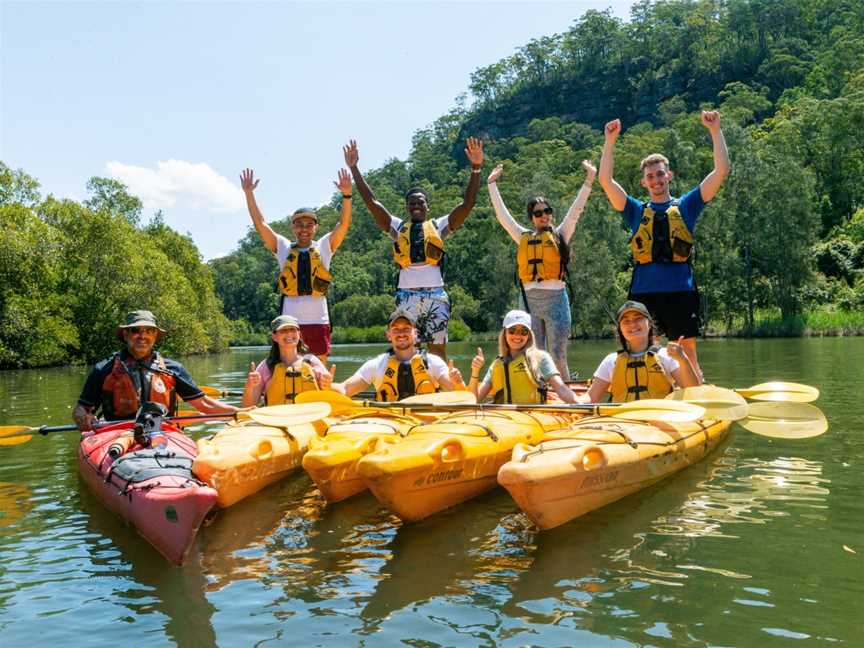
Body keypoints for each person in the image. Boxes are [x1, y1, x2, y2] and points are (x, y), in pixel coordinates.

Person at [598, 111, 730, 379]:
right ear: (643, 182)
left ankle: (695, 393)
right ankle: (653, 393)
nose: (656, 180)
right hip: (644, 293)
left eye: (660, 174)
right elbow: (605, 181)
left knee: (686, 348)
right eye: (650, 176)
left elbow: (721, 170)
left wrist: (715, 130)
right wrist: (609, 142)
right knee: (647, 350)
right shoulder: (635, 210)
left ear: (668, 175)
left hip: (681, 290)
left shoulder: (688, 205)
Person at [343, 137, 485, 361]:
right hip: (406, 297)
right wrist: (354, 168)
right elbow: (372, 202)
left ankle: (440, 391)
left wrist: (476, 168)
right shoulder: (398, 228)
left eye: (420, 202)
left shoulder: (439, 226)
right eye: (412, 203)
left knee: (437, 352)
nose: (416, 206)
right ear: (407, 207)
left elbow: (467, 204)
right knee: (409, 351)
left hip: (435, 295)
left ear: (428, 205)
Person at [486, 160, 596, 379]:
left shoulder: (561, 234)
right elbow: (502, 216)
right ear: (531, 217)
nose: (544, 215)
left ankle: (566, 395)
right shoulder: (522, 237)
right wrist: (491, 184)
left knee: (557, 355)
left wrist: (590, 178)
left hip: (556, 300)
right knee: (532, 354)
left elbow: (576, 210)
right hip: (530, 303)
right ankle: (537, 392)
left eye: (547, 211)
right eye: (538, 213)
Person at [240, 167, 353, 363]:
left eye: (309, 225)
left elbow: (343, 224)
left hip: (318, 320)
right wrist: (249, 194)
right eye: (299, 225)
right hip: (289, 322)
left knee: (319, 370)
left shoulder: (325, 246)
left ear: (316, 227)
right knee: (289, 368)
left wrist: (346, 195)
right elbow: (260, 224)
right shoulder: (283, 248)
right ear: (293, 227)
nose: (304, 229)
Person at [73, 310, 238, 430]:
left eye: (149, 331)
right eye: (136, 330)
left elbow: (203, 404)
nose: (142, 336)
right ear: (125, 335)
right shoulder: (104, 369)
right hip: (116, 433)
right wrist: (84, 419)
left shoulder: (173, 369)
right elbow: (81, 409)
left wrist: (240, 412)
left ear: (155, 336)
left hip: (163, 432)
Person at [580, 301, 701, 404]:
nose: (632, 324)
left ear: (649, 324)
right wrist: (566, 396)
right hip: (623, 421)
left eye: (638, 319)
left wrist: (683, 359)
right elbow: (591, 397)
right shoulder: (611, 360)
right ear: (620, 329)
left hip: (660, 418)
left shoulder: (665, 355)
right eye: (626, 321)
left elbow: (692, 390)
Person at [332, 310, 466, 400]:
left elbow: (461, 396)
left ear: (415, 333)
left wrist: (458, 383)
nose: (401, 333)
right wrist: (325, 384)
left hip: (427, 425)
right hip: (391, 423)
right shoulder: (376, 365)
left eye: (406, 329)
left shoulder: (433, 362)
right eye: (396, 329)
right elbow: (344, 389)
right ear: (388, 335)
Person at [467, 310, 578, 404]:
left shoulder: (541, 358)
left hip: (533, 417)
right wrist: (475, 372)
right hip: (505, 419)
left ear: (529, 335)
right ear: (504, 334)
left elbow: (561, 389)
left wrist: (579, 403)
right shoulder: (497, 365)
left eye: (523, 331)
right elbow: (474, 400)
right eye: (512, 330)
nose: (517, 336)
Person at [242, 315, 336, 407]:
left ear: (299, 334)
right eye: (283, 330)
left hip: (309, 417)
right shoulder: (266, 366)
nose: (289, 334)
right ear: (274, 336)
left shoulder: (312, 362)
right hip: (277, 419)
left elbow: (329, 400)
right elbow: (247, 406)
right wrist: (249, 386)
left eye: (292, 329)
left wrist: (327, 386)